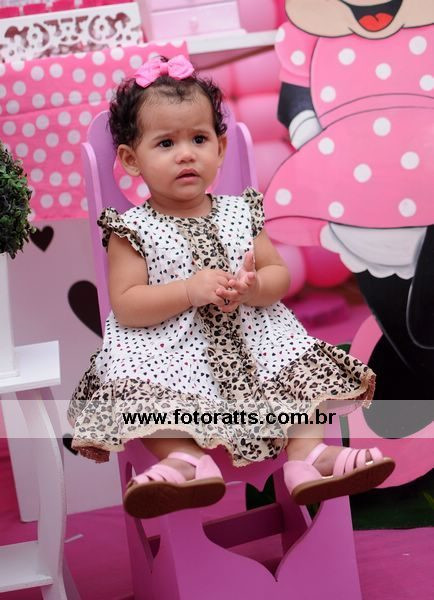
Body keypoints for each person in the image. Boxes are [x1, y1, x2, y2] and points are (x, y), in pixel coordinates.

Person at [68, 54, 395, 519]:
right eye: (166, 143)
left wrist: (254, 287)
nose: (186, 154)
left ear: (220, 149)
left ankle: (308, 456)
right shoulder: (131, 228)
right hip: (171, 349)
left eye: (199, 139)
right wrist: (188, 290)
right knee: (136, 386)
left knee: (297, 371)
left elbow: (278, 275)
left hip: (253, 337)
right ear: (130, 160)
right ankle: (183, 459)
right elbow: (127, 305)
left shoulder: (241, 212)